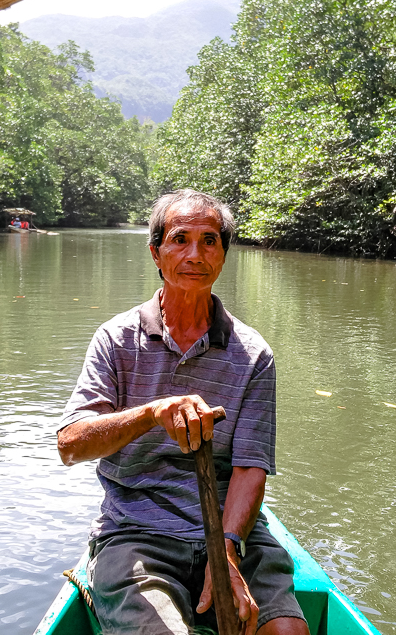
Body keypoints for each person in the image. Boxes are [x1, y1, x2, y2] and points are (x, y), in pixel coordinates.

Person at [58, 189, 309, 635]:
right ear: (156, 252)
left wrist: (226, 550)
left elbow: (250, 468)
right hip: (136, 533)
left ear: (223, 255)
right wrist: (151, 414)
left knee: (286, 631)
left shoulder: (253, 354)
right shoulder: (116, 340)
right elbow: (70, 445)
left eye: (209, 241)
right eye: (180, 240)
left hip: (231, 532)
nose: (195, 255)